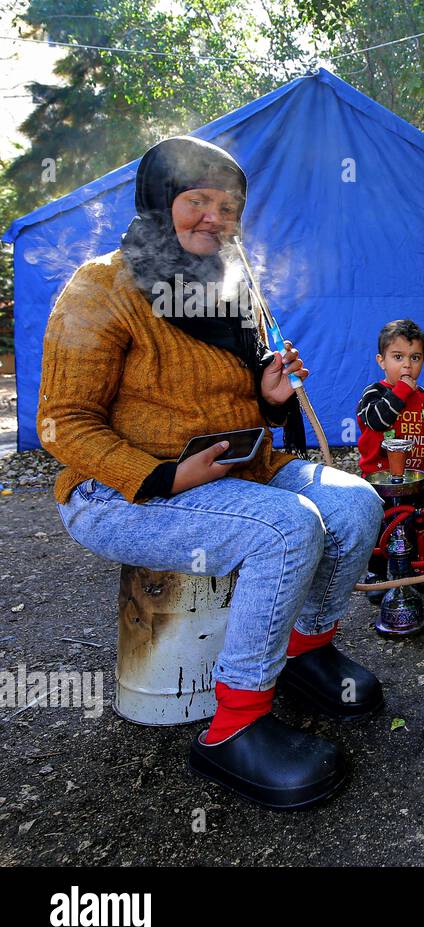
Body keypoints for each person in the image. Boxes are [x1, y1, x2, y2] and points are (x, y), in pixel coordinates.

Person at [38, 136, 385, 810]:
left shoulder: (229, 287)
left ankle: (305, 654)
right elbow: (62, 423)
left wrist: (270, 394)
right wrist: (165, 476)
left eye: (226, 207)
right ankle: (235, 727)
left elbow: (231, 400)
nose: (213, 219)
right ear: (161, 202)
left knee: (354, 504)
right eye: (196, 201)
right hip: (117, 492)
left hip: (237, 471)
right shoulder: (100, 285)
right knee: (286, 530)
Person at [355, 318, 424, 587]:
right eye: (398, 357)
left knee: (411, 524)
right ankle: (377, 573)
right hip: (380, 481)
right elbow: (377, 421)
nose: (407, 365)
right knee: (381, 527)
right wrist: (401, 391)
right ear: (381, 360)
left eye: (415, 357)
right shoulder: (374, 393)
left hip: (417, 479)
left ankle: (412, 568)